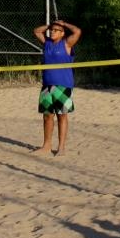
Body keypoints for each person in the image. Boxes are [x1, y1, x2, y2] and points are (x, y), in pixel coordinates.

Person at [32, 18, 81, 157]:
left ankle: (61, 147)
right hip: (47, 85)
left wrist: (64, 24)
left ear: (62, 33)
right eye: (52, 30)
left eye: (56, 30)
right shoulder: (47, 43)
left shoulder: (66, 43)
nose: (52, 32)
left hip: (63, 85)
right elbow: (36, 31)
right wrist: (50, 25)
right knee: (47, 116)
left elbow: (77, 31)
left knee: (61, 116)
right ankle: (46, 146)